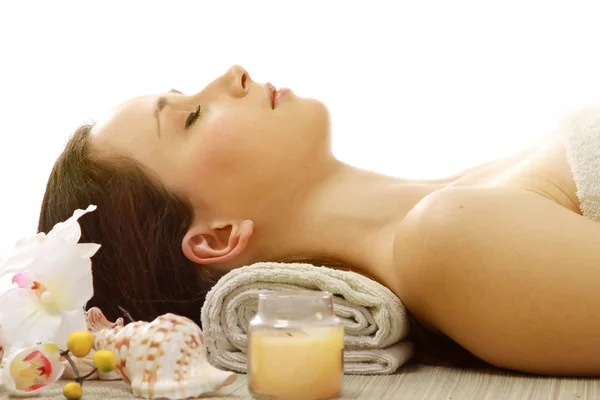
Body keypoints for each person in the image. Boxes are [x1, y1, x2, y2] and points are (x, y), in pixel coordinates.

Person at [39, 65, 600, 377]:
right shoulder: (450, 242)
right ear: (217, 237)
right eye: (191, 117)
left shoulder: (464, 198)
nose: (232, 73)